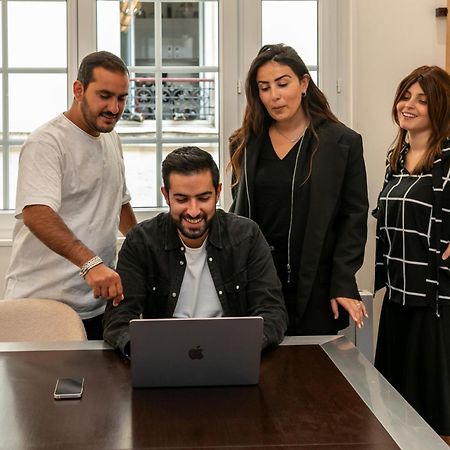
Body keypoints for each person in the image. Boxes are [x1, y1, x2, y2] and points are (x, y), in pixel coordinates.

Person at [228, 43, 369, 336]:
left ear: (303, 83)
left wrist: (343, 281)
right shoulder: (245, 143)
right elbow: (238, 216)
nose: (274, 96)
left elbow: (353, 217)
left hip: (316, 285)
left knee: (310, 377)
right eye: (264, 87)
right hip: (256, 283)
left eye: (282, 84)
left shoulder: (342, 143)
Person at [103, 146, 288, 355]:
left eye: (203, 198)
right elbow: (118, 319)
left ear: (218, 193)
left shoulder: (247, 236)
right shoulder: (141, 241)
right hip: (163, 354)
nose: (193, 211)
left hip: (232, 351)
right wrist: (146, 352)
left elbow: (273, 313)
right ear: (166, 195)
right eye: (181, 199)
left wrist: (243, 347)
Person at [4, 51, 137, 339]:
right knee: (39, 387)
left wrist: (146, 248)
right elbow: (36, 213)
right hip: (39, 309)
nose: (114, 108)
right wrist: (91, 263)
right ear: (78, 90)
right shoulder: (46, 142)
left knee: (103, 385)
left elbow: (120, 204)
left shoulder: (112, 139)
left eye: (122, 98)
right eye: (104, 95)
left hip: (98, 307)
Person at [374, 65, 450, 441]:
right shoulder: (396, 160)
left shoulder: (449, 159)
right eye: (406, 96)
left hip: (435, 305)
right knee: (396, 412)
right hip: (398, 297)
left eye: (422, 99)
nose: (409, 105)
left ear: (440, 108)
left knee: (435, 416)